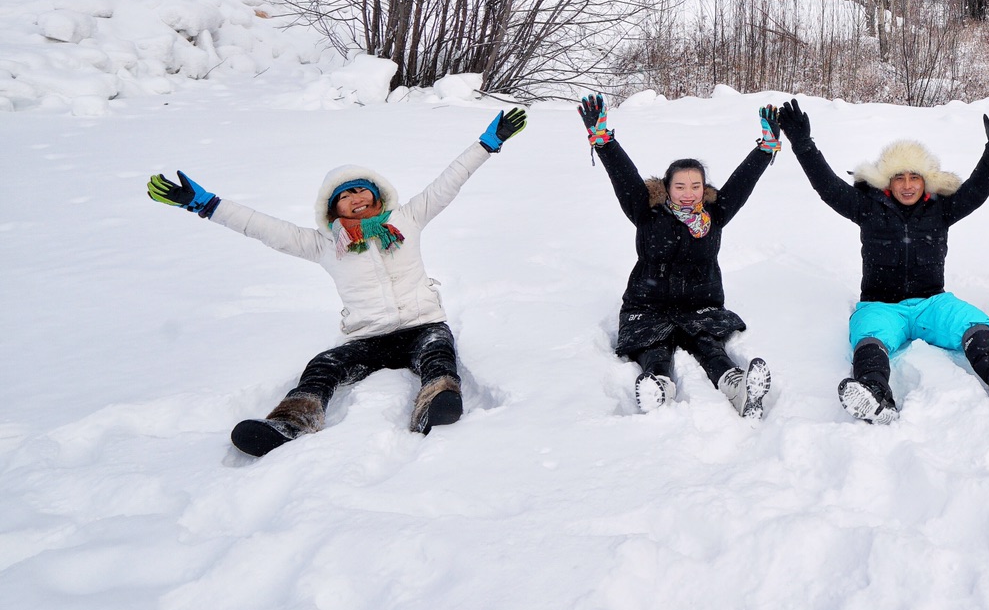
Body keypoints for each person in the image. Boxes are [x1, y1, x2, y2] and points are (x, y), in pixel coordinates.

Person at [145, 108, 527, 456]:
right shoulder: (326, 245)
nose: (354, 197)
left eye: (361, 188)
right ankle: (291, 421)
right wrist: (208, 205)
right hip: (368, 339)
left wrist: (486, 145)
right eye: (343, 196)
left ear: (377, 195)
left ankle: (435, 402)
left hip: (422, 325)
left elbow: (449, 182)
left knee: (438, 354)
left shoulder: (406, 220)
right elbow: (263, 227)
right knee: (323, 365)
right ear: (333, 210)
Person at [777, 97, 989, 423]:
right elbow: (829, 188)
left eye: (913, 177)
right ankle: (874, 395)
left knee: (972, 321)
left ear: (925, 180)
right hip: (882, 306)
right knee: (867, 333)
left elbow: (975, 191)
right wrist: (803, 144)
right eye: (898, 178)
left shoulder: (940, 209)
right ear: (887, 182)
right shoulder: (867, 207)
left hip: (932, 303)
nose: (906, 185)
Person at [580, 95, 780, 418]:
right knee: (653, 347)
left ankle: (738, 389)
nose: (689, 193)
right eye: (680, 186)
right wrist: (604, 142)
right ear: (667, 187)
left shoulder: (714, 214)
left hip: (699, 304)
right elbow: (624, 177)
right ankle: (658, 386)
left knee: (709, 346)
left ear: (704, 188)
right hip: (648, 305)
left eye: (696, 186)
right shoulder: (648, 212)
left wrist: (766, 148)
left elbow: (742, 183)